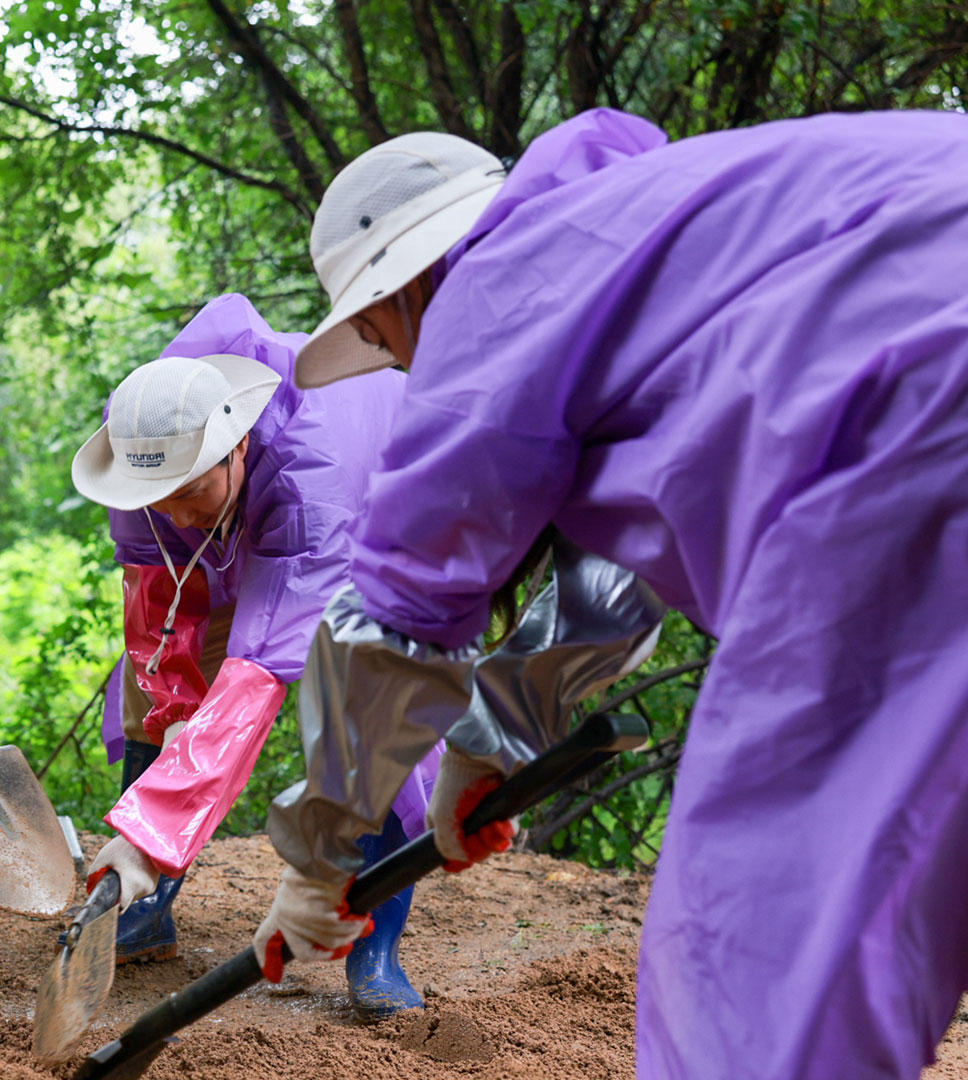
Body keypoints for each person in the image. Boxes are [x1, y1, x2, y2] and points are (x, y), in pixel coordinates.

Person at [259, 110, 968, 1078]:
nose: (403, 367)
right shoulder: (650, 237)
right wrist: (490, 736)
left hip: (920, 443)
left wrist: (318, 859)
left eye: (381, 338)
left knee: (759, 957)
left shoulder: (495, 300)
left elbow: (398, 611)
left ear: (413, 284)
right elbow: (627, 558)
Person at [68, 295, 441, 1015]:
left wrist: (148, 837)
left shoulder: (309, 487)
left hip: (379, 525)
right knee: (152, 698)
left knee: (385, 719)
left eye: (190, 492)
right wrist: (178, 711)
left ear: (235, 447)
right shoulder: (146, 452)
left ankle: (375, 941)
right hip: (242, 527)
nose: (174, 511)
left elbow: (258, 675)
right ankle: (145, 913)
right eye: (159, 498)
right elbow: (158, 597)